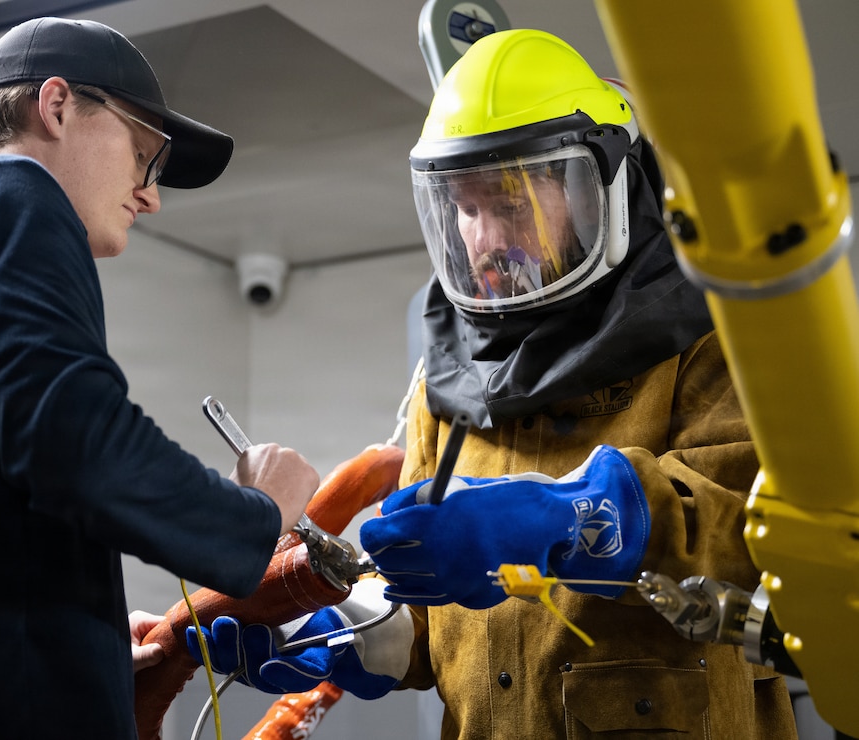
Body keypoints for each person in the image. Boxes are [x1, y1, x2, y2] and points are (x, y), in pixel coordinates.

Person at [185, 29, 799, 738]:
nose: (484, 240)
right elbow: (434, 616)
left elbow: (756, 539)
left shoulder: (710, 333)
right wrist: (362, 633)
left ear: (604, 190)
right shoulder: (446, 382)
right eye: (467, 209)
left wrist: (573, 518)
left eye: (512, 203)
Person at [0, 16, 319, 740]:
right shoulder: (9, 186)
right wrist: (258, 515)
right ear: (55, 106)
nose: (151, 195)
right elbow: (73, 441)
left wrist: (86, 648)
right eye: (144, 155)